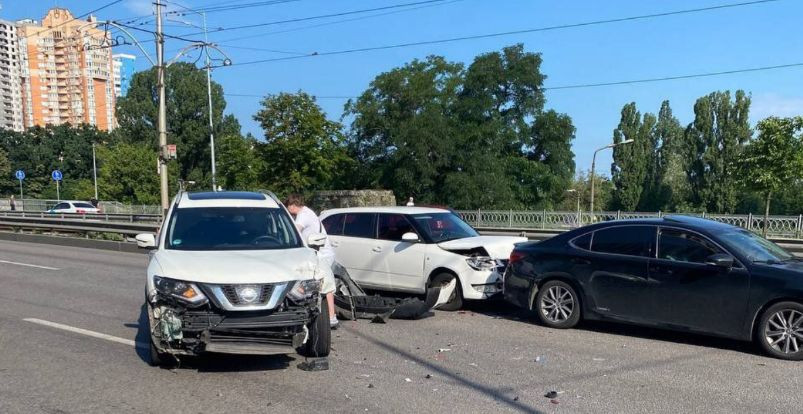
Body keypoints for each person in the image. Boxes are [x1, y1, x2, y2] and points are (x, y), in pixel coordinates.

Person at [284, 194, 338, 329]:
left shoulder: (303, 215)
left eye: (288, 207)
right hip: (316, 254)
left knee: (325, 287)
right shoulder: (308, 212)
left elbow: (294, 232)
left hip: (321, 255)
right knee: (320, 287)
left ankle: (331, 317)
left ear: (292, 205)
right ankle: (324, 315)